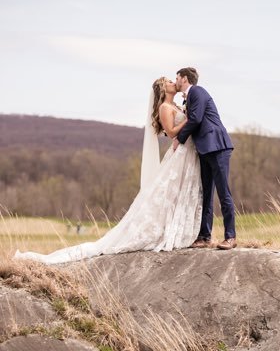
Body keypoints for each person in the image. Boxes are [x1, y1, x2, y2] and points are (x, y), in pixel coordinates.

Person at [14, 77, 202, 264]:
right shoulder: (164, 108)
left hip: (185, 152)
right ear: (163, 89)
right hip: (179, 152)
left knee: (178, 192)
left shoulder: (176, 105)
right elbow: (170, 132)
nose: (172, 82)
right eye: (168, 81)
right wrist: (189, 120)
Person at [173, 67, 236, 250]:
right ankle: (204, 236)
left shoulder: (198, 92)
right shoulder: (189, 97)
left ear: (184, 79)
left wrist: (180, 138)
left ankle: (230, 237)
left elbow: (196, 118)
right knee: (206, 194)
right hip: (204, 149)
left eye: (177, 78)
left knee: (223, 193)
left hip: (217, 146)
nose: (175, 81)